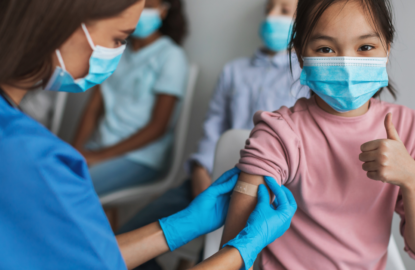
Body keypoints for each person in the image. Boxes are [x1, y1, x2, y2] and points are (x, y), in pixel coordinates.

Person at [0, 1, 297, 269]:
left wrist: (180, 226)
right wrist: (239, 252)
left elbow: (89, 257)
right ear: (64, 22)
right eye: (118, 39)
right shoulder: (36, 162)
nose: (118, 53)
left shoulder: (22, 144)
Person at [220, 0, 415, 269]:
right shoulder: (279, 134)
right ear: (301, 55)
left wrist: (413, 180)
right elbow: (234, 253)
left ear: (387, 47)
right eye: (325, 49)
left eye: (365, 47)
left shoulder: (407, 128)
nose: (346, 64)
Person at [118, 0, 307, 237]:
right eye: (268, 9)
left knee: (215, 251)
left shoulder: (305, 78)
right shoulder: (234, 71)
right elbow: (213, 125)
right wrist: (200, 169)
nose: (271, 17)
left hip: (265, 192)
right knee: (130, 235)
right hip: (213, 178)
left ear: (303, 22)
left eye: (284, 10)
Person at [73, 0, 189, 196]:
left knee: (74, 190)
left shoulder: (171, 56)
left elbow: (158, 126)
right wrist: (75, 151)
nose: (141, 12)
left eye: (149, 7)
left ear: (163, 11)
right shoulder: (115, 52)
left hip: (140, 157)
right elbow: (93, 109)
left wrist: (100, 157)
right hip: (98, 146)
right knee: (54, 173)